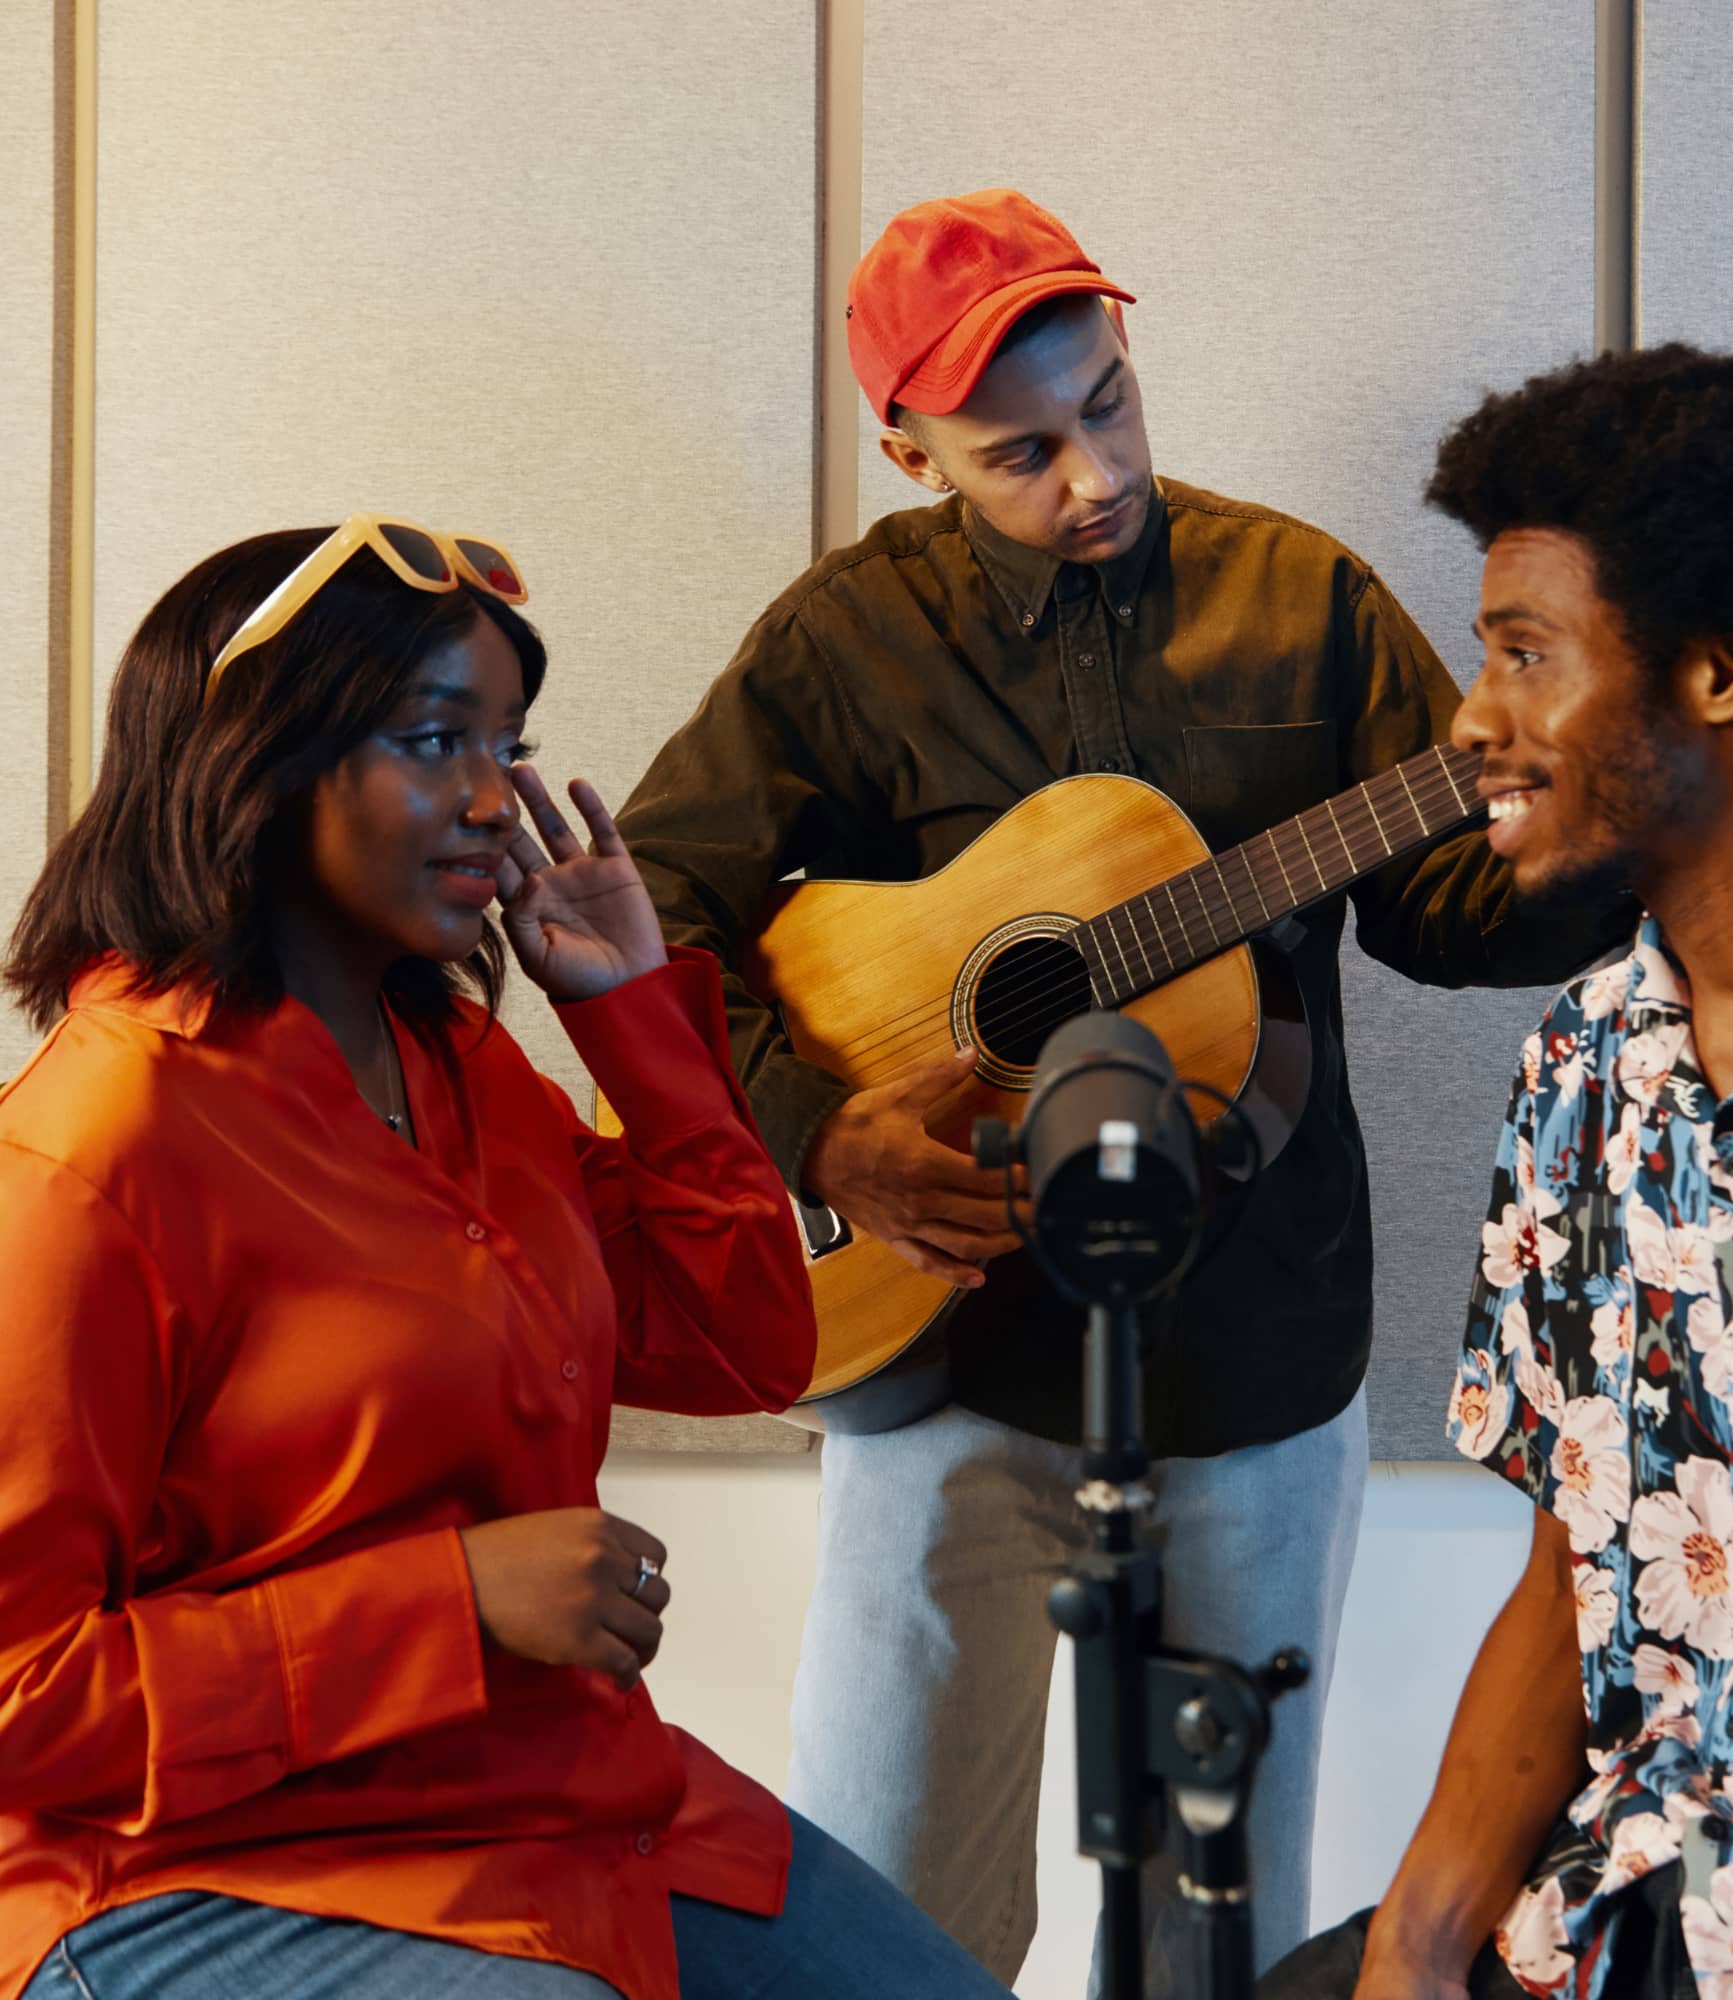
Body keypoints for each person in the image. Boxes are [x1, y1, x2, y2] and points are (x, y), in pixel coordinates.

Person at [616, 188, 1628, 1989]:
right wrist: (823, 1126)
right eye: (1019, 452)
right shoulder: (847, 641)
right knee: (889, 1923)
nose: (1091, 472)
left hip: (1254, 1356)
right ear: (908, 448)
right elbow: (658, 903)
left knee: (1202, 1936)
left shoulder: (1305, 600)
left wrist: (1611, 830)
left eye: (1111, 404)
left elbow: (1449, 916)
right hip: (945, 1368)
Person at [0, 518, 1012, 2000]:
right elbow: (20, 1693)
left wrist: (635, 1023)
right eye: (433, 741)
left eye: (506, 745)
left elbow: (740, 1344)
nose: (493, 800)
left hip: (551, 1805)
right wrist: (450, 1601)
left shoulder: (462, 1066)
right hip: (192, 1869)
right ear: (258, 761)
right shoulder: (92, 1150)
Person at [1260, 344, 1733, 2000]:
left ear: (1721, 675)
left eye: (1528, 653)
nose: (1473, 719)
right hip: (1633, 1902)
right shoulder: (1586, 1066)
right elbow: (1576, 1559)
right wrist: (1415, 1943)